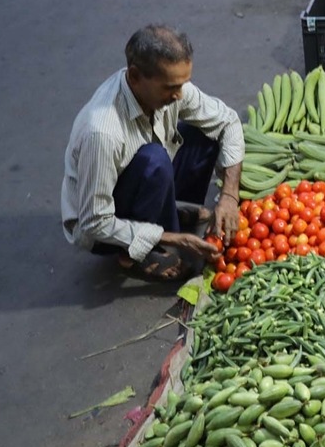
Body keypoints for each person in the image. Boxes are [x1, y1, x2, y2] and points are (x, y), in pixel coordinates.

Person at [61, 25, 244, 281]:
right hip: (103, 221)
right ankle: (132, 255)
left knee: (206, 133)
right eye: (170, 87)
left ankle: (169, 212)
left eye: (184, 83)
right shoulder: (102, 131)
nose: (179, 94)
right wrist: (174, 239)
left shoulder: (172, 90)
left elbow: (229, 122)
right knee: (154, 160)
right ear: (135, 77)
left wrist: (229, 196)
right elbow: (94, 223)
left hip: (147, 174)